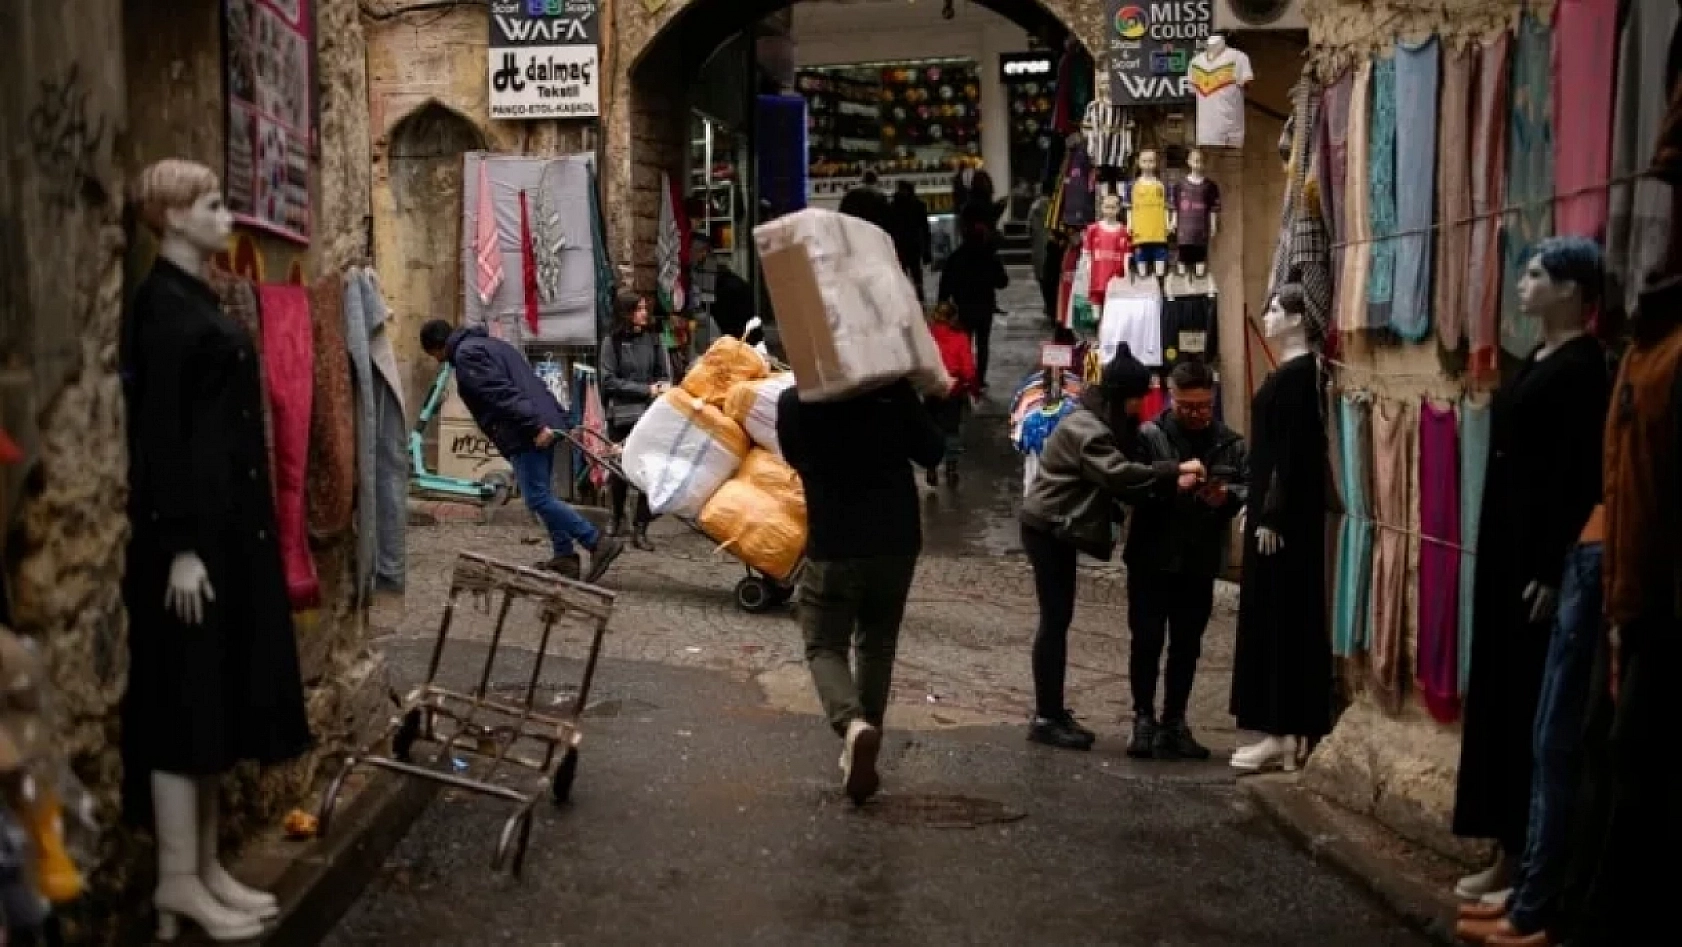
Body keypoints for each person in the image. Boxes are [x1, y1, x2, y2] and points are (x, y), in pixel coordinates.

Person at [1019, 344, 1204, 750]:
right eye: (1137, 398)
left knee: (1058, 619)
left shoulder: (1095, 419)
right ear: (1123, 396)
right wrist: (1173, 470)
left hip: (1056, 527)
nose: (1141, 407)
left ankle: (1052, 710)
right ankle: (1047, 716)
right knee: (1055, 620)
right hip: (1047, 528)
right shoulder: (1087, 429)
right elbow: (1119, 475)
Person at [776, 378, 945, 804]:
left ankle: (852, 726)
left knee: (824, 645)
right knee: (877, 644)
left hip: (834, 544)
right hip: (895, 541)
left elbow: (794, 456)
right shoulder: (893, 391)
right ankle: (867, 736)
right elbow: (932, 451)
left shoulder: (795, 401)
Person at [420, 319, 624, 583]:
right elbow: (534, 384)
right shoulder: (493, 345)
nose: (438, 361)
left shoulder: (466, 355)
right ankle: (564, 555)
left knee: (537, 499)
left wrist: (535, 425)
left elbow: (501, 395)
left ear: (436, 348)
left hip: (525, 431)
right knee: (544, 495)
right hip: (540, 423)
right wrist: (559, 419)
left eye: (434, 356)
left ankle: (596, 541)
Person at [1123, 360, 1248, 761]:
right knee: (1146, 640)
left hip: (1199, 558)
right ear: (1171, 399)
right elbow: (1131, 484)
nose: (1196, 414)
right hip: (1152, 555)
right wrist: (1170, 483)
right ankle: (1143, 718)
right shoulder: (1149, 436)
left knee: (1187, 645)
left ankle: (1174, 721)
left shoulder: (1230, 443)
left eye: (1204, 406)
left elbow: (1247, 488)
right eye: (1187, 406)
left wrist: (1226, 497)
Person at [599, 291, 672, 550]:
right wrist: (644, 390)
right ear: (626, 312)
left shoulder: (653, 339)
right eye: (638, 309)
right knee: (619, 469)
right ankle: (616, 517)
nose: (644, 313)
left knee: (648, 471)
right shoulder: (612, 342)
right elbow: (608, 381)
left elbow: (663, 374)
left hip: (649, 415)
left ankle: (641, 527)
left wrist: (660, 388)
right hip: (621, 414)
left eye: (644, 308)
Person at [938, 207, 1009, 391]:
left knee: (965, 343)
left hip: (964, 307)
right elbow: (1002, 282)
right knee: (983, 344)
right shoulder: (990, 257)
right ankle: (980, 378)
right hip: (985, 306)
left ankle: (967, 377)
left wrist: (943, 302)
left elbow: (946, 283)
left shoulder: (956, 257)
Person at [924, 302, 979, 487]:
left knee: (931, 427)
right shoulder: (960, 337)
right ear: (953, 317)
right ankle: (951, 468)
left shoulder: (928, 336)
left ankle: (931, 468)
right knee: (951, 429)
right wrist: (973, 388)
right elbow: (968, 368)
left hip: (931, 388)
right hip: (953, 389)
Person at [888, 180, 933, 301]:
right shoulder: (918, 205)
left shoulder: (893, 206)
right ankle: (919, 297)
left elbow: (889, 227)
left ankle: (904, 297)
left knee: (902, 273)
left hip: (900, 245)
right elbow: (925, 229)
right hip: (913, 245)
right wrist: (927, 249)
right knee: (916, 273)